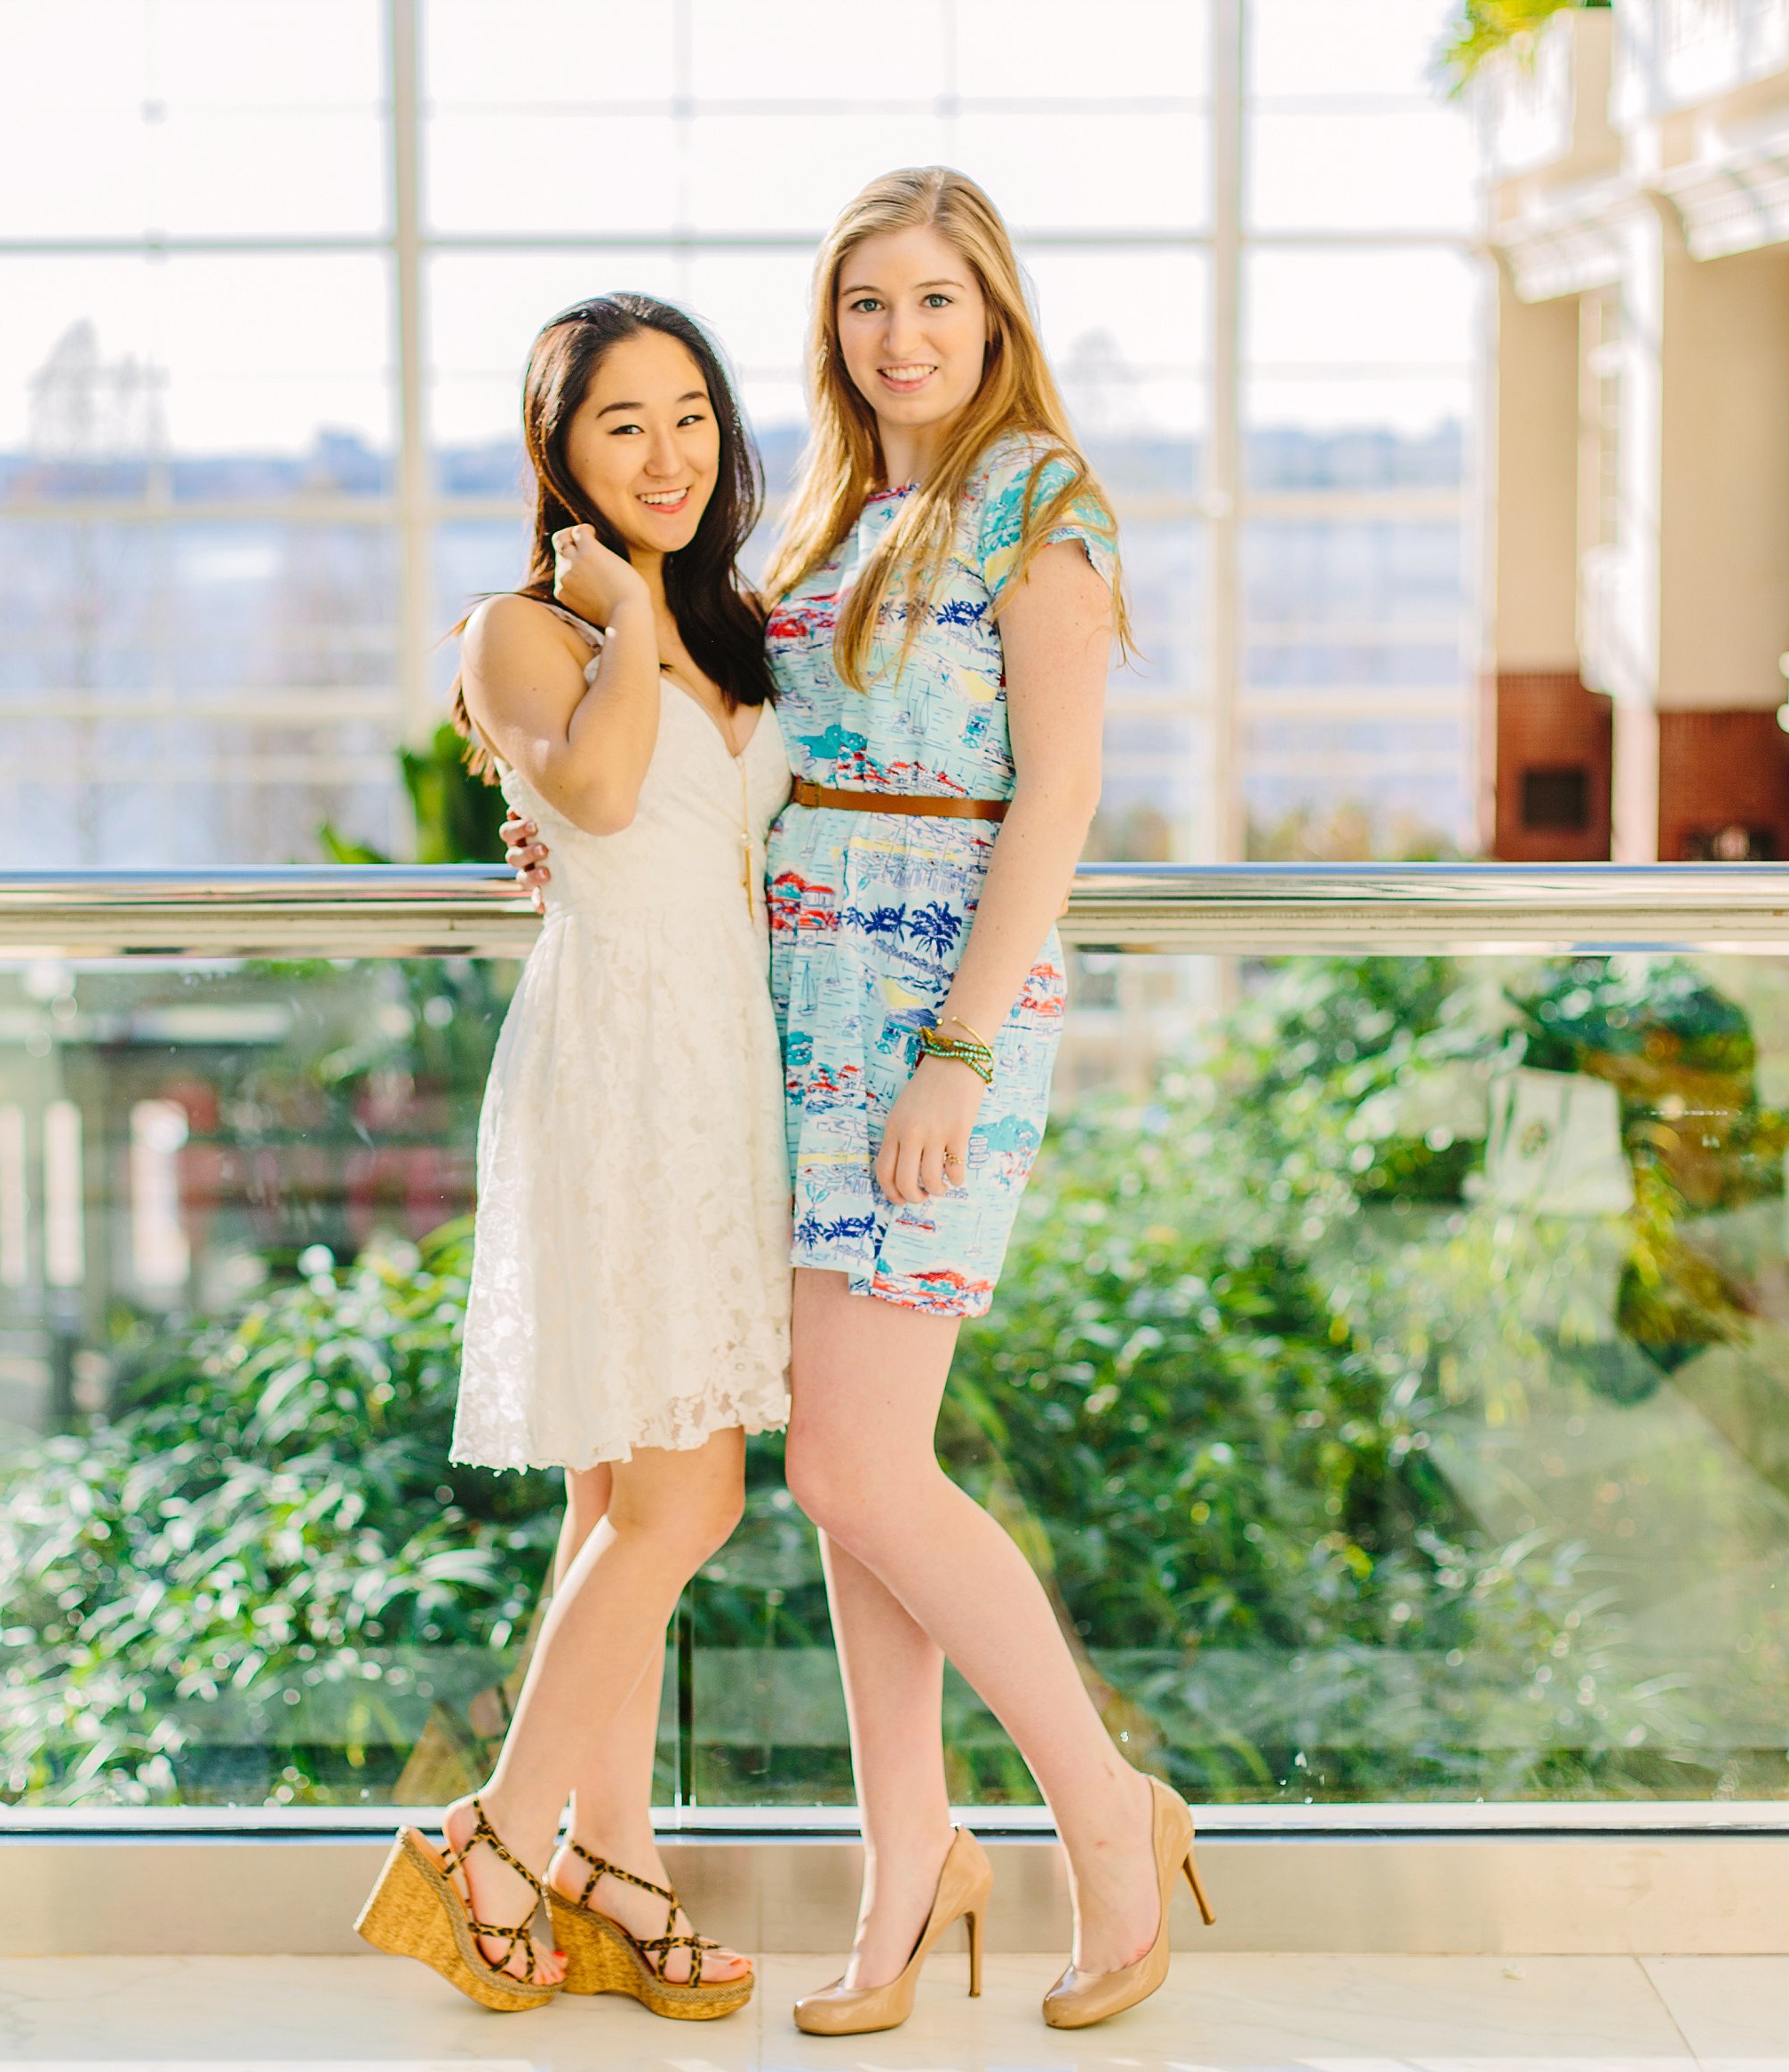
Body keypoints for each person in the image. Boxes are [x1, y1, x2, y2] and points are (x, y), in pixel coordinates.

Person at [505, 168, 1211, 2036]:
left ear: (992, 313)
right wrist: (573, 839)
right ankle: (911, 1869)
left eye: (932, 300)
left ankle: (1108, 1818)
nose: (899, 335)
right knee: (846, 1486)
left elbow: (1054, 795)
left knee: (850, 1463)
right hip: (782, 1006)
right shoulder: (828, 516)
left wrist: (961, 1050)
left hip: (930, 1006)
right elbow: (716, 754)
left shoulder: (1038, 496)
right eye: (863, 305)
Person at [352, 291, 788, 2024]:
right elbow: (601, 801)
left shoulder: (732, 625)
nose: (666, 453)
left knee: (620, 1499)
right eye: (624, 423)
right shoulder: (518, 632)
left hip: (720, 1066)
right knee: (694, 1494)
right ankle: (496, 1842)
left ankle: (618, 1869)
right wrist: (611, 617)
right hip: (617, 1067)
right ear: (559, 453)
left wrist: (660, 621)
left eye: (691, 414)